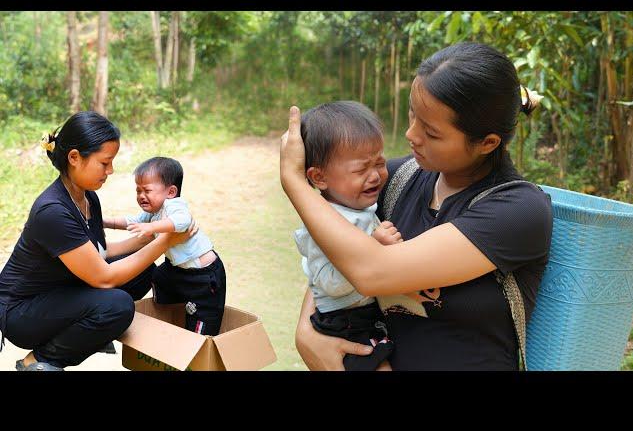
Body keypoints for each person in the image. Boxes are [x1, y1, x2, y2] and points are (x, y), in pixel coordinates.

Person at [281, 42, 552, 371]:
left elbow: (371, 271)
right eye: (413, 115)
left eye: (431, 132)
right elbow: (335, 250)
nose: (411, 134)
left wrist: (295, 181)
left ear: (487, 142)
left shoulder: (516, 210)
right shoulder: (397, 179)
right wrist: (308, 328)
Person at [0, 111, 195, 371]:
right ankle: (40, 360)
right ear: (74, 158)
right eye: (105, 163)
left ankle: (87, 332)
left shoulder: (87, 197)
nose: (111, 170)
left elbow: (101, 253)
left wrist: (155, 234)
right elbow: (104, 277)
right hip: (22, 312)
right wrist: (165, 242)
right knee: (118, 305)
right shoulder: (53, 211)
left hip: (59, 290)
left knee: (143, 271)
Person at [294, 101, 401, 371]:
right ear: (319, 177)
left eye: (379, 162)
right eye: (361, 169)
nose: (375, 175)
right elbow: (330, 284)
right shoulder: (323, 224)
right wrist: (372, 246)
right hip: (345, 323)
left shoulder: (360, 207)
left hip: (366, 313)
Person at [104, 157, 226, 336]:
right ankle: (172, 308)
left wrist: (151, 227)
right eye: (138, 190)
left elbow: (183, 221)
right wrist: (107, 222)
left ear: (171, 192)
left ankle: (201, 339)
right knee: (158, 276)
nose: (141, 196)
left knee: (203, 315)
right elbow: (133, 221)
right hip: (177, 269)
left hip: (203, 276)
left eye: (147, 190)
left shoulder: (174, 205)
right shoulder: (153, 211)